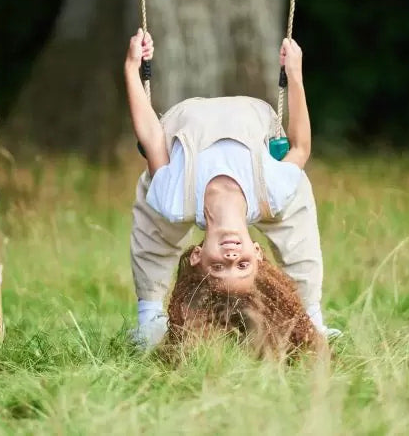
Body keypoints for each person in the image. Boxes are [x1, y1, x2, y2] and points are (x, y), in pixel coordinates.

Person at [125, 28, 340, 349]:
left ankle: (150, 315)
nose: (231, 255)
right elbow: (301, 147)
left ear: (197, 256)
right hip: (252, 116)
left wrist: (132, 67)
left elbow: (152, 138)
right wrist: (294, 75)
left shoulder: (175, 200)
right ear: (257, 254)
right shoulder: (271, 193)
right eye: (242, 265)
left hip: (186, 120)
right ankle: (312, 318)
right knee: (297, 221)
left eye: (219, 266)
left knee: (154, 217)